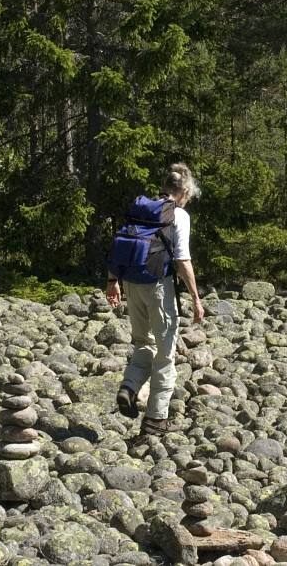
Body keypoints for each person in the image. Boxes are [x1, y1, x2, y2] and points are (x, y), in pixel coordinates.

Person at [105, 163, 204, 435]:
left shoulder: (143, 209)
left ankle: (129, 387)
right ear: (184, 192)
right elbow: (182, 259)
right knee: (165, 354)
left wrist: (112, 282)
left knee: (143, 342)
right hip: (158, 287)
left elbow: (121, 244)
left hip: (131, 283)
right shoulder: (179, 215)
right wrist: (196, 298)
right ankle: (156, 418)